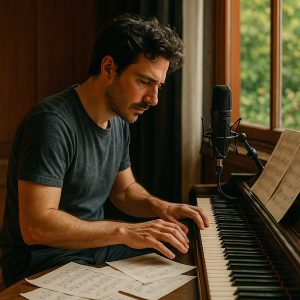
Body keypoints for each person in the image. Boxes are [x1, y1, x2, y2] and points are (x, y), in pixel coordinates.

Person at [0, 13, 209, 287]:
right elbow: (36, 225)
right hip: (43, 263)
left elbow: (124, 191)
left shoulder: (118, 120)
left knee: (188, 264)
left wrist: (163, 208)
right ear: (109, 68)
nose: (154, 99)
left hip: (93, 253)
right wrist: (125, 230)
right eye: (145, 82)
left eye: (158, 86)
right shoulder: (51, 123)